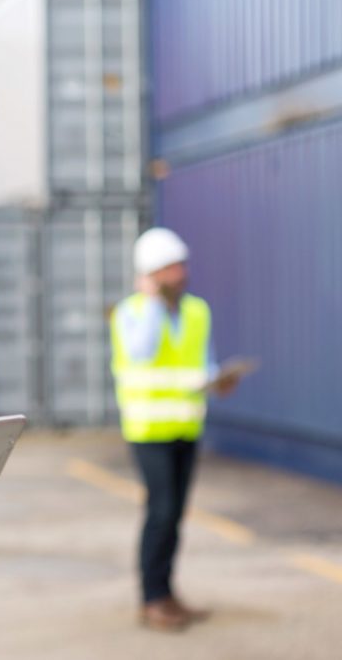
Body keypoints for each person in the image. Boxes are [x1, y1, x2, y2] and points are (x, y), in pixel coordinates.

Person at [110, 227, 239, 632]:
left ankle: (166, 593)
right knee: (161, 512)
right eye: (169, 268)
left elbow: (202, 363)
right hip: (148, 431)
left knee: (176, 515)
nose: (179, 274)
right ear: (150, 273)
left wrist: (218, 380)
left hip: (186, 426)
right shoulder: (131, 312)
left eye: (181, 266)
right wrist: (152, 302)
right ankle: (152, 600)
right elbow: (142, 352)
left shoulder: (197, 310)